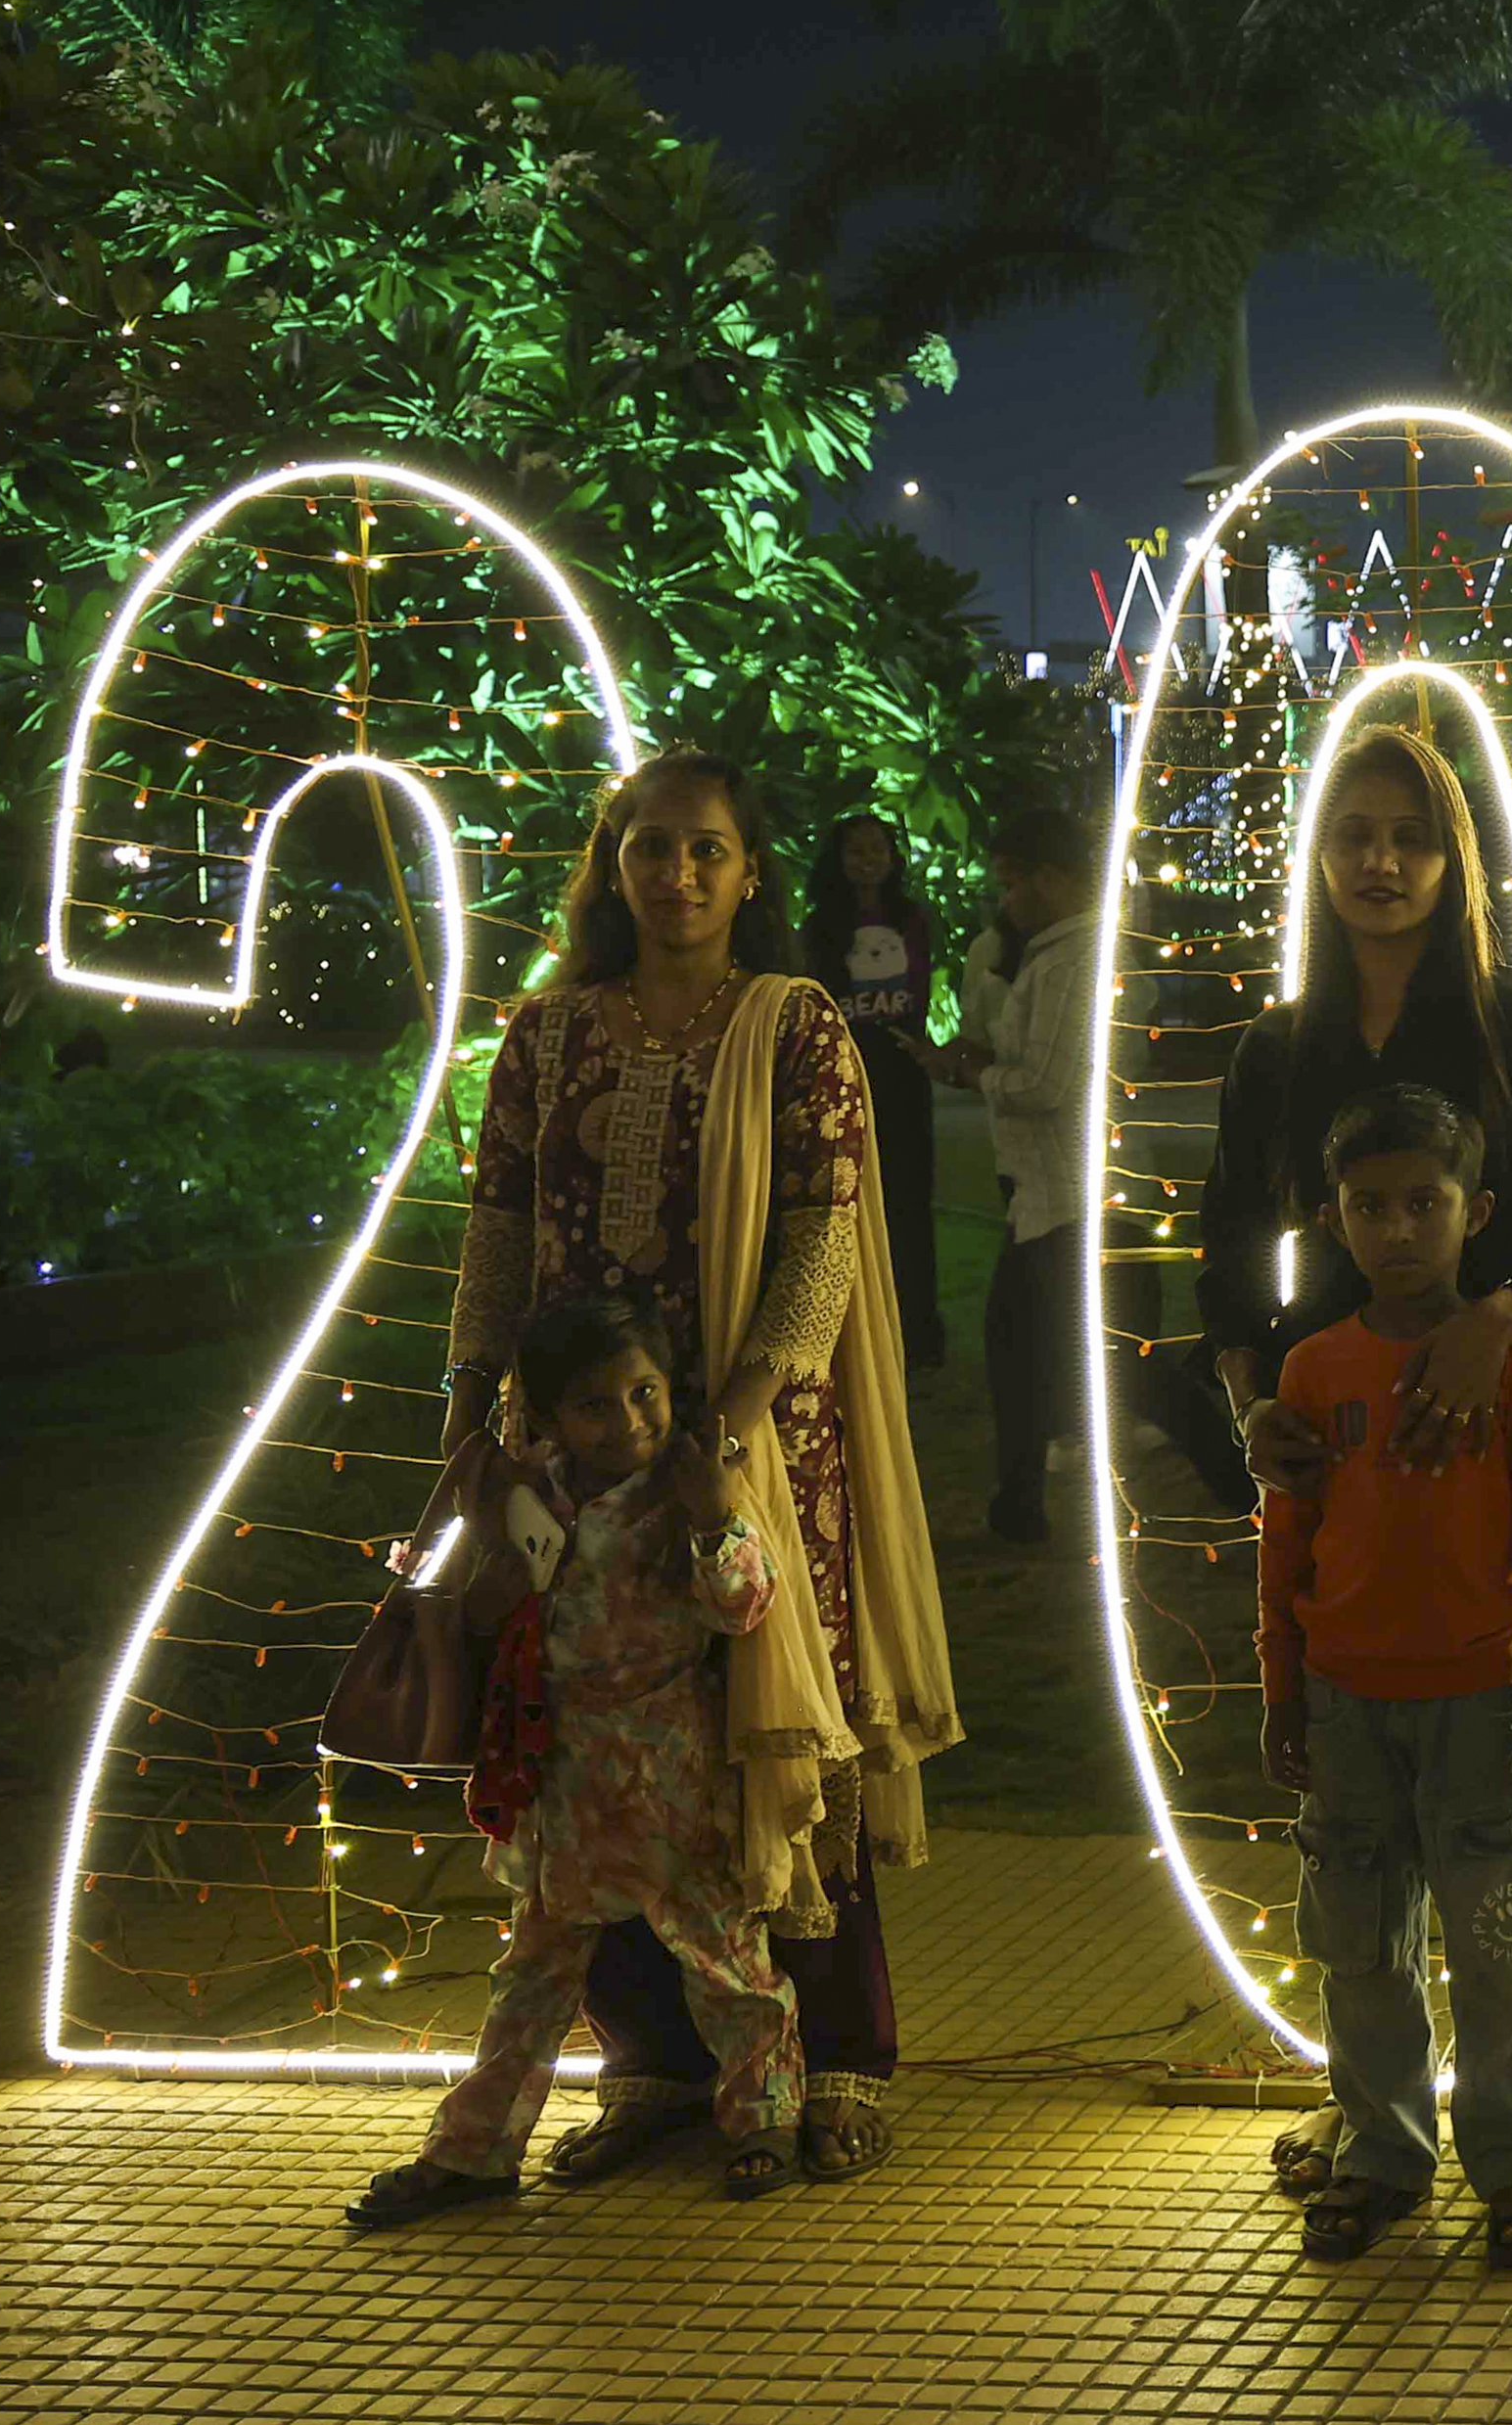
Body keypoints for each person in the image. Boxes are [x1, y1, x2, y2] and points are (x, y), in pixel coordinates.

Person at [444, 749, 963, 2190]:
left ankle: (840, 2058)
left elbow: (824, 1229)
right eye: (651, 848)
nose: (677, 876)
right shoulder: (547, 1036)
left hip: (755, 1438)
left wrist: (730, 1420)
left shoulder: (796, 1027)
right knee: (595, 1743)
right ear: (613, 864)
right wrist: (469, 1412)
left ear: (749, 875)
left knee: (770, 1728)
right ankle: (661, 2064)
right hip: (573, 1451)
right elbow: (495, 1227)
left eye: (707, 852)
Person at [1211, 721, 1512, 2202]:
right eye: (1354, 834)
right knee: (1356, 1885)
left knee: (1495, 1884)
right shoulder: (1279, 1045)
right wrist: (1254, 1398)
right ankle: (1378, 2131)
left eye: (1410, 834)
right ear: (1317, 857)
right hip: (1339, 1466)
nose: (1380, 861)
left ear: (1455, 857)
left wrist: (1501, 1313)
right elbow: (1223, 1268)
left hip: (1489, 1454)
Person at [347, 1297, 801, 2226]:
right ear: (551, 1417)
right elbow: (471, 1617)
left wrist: (716, 1517)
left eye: (645, 1394)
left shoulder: (689, 1489)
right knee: (533, 1972)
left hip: (672, 1766)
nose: (629, 1421)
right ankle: (474, 2149)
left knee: (724, 1957)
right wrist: (504, 1577)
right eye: (597, 1406)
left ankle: (764, 2120)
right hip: (559, 1773)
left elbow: (745, 1608)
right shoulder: (525, 1493)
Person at [1254, 1083, 1512, 2267]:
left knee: (1500, 1941)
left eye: (1425, 1202)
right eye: (1371, 1206)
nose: (1399, 1228)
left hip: (1476, 1700)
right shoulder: (1311, 1371)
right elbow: (1284, 1542)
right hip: (1346, 1701)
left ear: (1474, 1209)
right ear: (1334, 1221)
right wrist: (1281, 1685)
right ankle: (1383, 2147)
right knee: (1358, 1938)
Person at [919, 807, 1100, 1545]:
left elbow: (1046, 1088)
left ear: (1049, 880)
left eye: (1011, 883)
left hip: (1066, 1193)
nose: (1005, 900)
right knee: (1036, 1348)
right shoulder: (1043, 953)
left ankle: (1230, 1457)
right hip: (1045, 1191)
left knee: (1054, 1351)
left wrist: (976, 1072)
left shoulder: (1067, 960)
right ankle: (1018, 1501)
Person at [805, 816, 952, 1371]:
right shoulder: (822, 927)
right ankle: (849, 1329)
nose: (866, 859)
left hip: (902, 1072)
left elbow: (916, 991)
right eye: (855, 850)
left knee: (911, 1202)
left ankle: (918, 1330)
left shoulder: (911, 920)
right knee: (843, 1201)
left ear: (893, 857)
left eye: (876, 849)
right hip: (843, 1076)